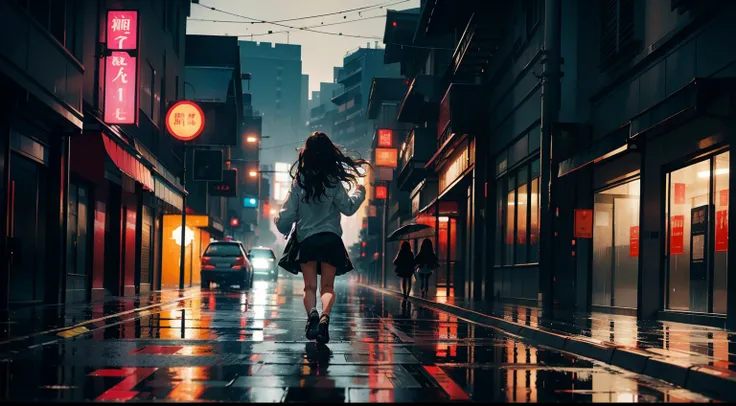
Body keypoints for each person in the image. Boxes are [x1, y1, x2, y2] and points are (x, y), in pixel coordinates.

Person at [275, 132, 367, 344]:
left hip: (307, 240)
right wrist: (360, 192)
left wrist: (278, 220)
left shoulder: (300, 181)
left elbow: (287, 215)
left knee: (309, 288)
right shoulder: (333, 181)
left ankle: (313, 315)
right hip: (331, 239)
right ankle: (325, 317)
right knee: (328, 288)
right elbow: (349, 208)